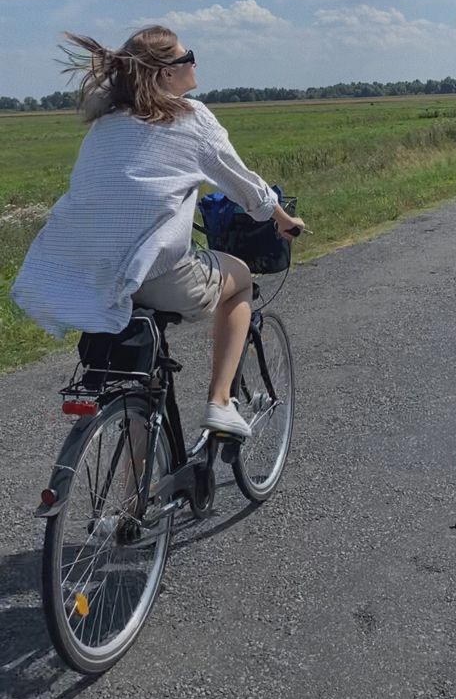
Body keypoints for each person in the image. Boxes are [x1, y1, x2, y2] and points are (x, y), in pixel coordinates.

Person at [12, 25, 305, 439]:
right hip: (156, 273)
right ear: (167, 74)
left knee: (139, 387)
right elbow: (245, 186)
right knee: (238, 279)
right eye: (188, 57)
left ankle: (133, 502)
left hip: (90, 275)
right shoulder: (191, 116)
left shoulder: (106, 124)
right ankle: (220, 402)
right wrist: (281, 218)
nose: (194, 63)